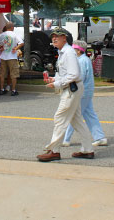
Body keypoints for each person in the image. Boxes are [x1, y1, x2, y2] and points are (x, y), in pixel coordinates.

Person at [37, 28, 94, 162]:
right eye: (53, 37)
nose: (54, 39)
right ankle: (88, 150)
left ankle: (54, 151)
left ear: (65, 38)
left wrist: (57, 84)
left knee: (60, 118)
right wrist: (54, 79)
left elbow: (74, 75)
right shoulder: (63, 52)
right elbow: (65, 73)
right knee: (77, 121)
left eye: (58, 36)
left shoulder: (68, 53)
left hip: (71, 90)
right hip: (71, 88)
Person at [62, 40, 107, 147]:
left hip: (81, 92)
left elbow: (78, 77)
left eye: (74, 49)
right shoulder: (84, 60)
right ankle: (100, 137)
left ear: (78, 51)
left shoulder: (80, 61)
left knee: (73, 115)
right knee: (90, 115)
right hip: (87, 92)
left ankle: (65, 139)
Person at [0, 22, 23, 96]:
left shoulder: (2, 35)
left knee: (2, 74)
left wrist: (0, 47)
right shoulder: (14, 34)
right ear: (12, 27)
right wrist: (15, 48)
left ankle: (2, 89)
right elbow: (21, 43)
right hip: (12, 57)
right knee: (14, 74)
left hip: (3, 57)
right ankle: (13, 90)